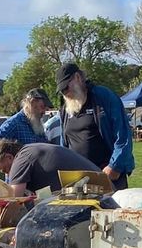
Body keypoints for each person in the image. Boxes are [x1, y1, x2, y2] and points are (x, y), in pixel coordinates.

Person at [55, 62, 134, 190]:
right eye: (62, 91)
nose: (65, 93)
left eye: (66, 87)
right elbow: (64, 144)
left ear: (78, 78)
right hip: (77, 180)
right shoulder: (65, 110)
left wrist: (115, 166)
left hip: (107, 175)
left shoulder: (104, 97)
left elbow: (123, 135)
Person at [0, 139, 100, 196]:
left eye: (5, 169)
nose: (7, 174)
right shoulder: (30, 150)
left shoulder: (21, 158)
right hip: (99, 186)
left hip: (95, 191)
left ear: (9, 157)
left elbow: (15, 197)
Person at [0, 88, 51, 152]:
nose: (44, 111)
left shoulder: (36, 124)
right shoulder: (15, 123)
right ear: (32, 103)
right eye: (42, 107)